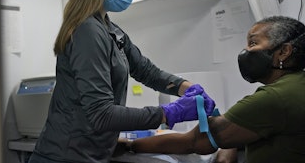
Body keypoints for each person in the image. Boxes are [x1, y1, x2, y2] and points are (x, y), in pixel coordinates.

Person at [27, 0, 215, 163]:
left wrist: (186, 88)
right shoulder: (87, 31)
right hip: (64, 156)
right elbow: (101, 113)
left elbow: (145, 70)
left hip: (90, 154)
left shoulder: (110, 30)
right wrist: (168, 113)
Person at [125, 15, 305, 163]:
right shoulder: (296, 86)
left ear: (283, 52)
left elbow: (195, 142)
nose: (245, 51)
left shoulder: (275, 97)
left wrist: (129, 146)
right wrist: (231, 142)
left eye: (252, 43)